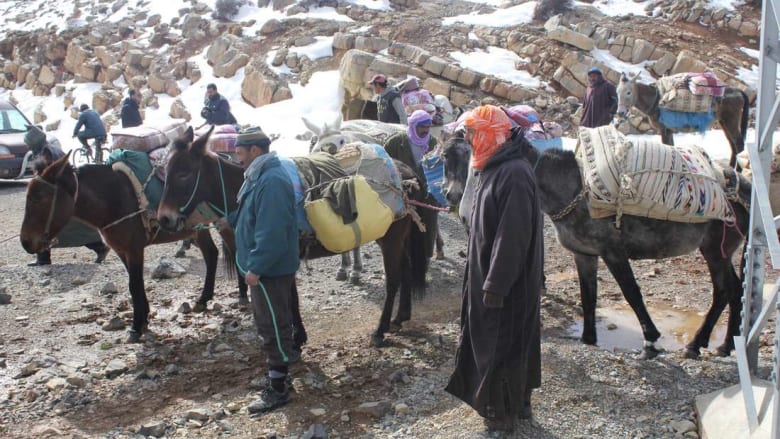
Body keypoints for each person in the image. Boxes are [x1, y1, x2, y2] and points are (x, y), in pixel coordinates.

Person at [445, 105, 543, 433]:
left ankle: (501, 414)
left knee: (499, 344)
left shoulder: (513, 172)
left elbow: (512, 236)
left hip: (505, 283)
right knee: (514, 341)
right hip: (494, 276)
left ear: (489, 134)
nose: (470, 141)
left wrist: (495, 285)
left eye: (473, 134)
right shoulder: (496, 166)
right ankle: (520, 403)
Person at [227, 127, 300, 415]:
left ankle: (279, 389)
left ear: (255, 151)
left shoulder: (271, 181)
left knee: (273, 326)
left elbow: (272, 232)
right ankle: (278, 378)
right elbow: (251, 212)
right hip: (266, 268)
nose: (237, 157)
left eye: (240, 152)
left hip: (270, 270)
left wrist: (255, 267)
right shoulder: (260, 176)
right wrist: (229, 220)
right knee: (271, 324)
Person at [25, 126, 109, 266]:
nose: (27, 146)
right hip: (61, 194)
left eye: (28, 143)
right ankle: (43, 258)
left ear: (34, 142)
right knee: (61, 227)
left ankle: (99, 246)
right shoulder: (48, 149)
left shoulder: (47, 153)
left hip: (59, 196)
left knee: (55, 226)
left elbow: (49, 178)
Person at [384, 109, 441, 258]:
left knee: (427, 228)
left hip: (427, 195)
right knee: (402, 229)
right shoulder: (396, 142)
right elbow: (384, 165)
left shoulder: (433, 143)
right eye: (422, 126)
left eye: (428, 126)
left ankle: (425, 258)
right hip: (403, 194)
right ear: (413, 125)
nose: (426, 130)